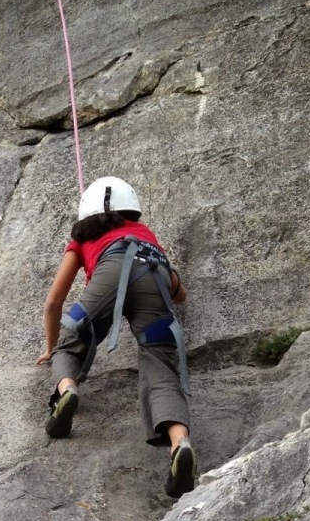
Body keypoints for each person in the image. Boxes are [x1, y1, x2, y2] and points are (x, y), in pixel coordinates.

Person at [36, 176, 196, 498]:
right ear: (131, 207)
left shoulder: (82, 238)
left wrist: (51, 348)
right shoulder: (146, 234)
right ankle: (180, 443)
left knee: (71, 342)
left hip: (109, 271)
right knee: (162, 370)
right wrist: (165, 270)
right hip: (154, 273)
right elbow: (180, 296)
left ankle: (67, 389)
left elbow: (54, 302)